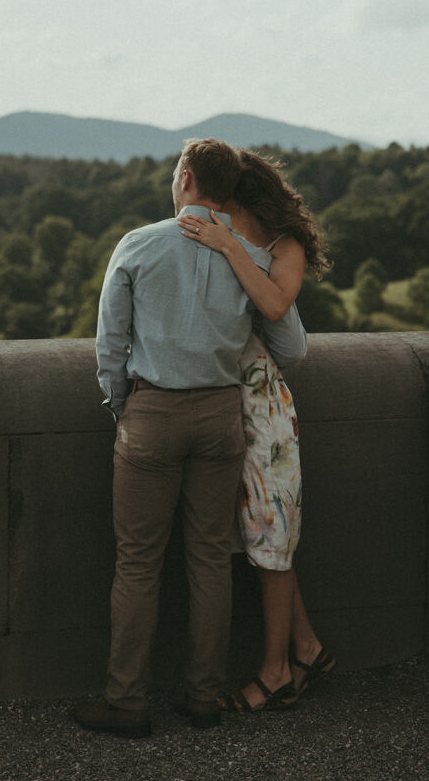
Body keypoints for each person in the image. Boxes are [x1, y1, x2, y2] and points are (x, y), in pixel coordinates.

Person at [74, 139, 308, 739]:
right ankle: (204, 695)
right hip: (222, 418)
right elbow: (289, 346)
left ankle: (127, 702)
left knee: (138, 562)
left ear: (184, 178)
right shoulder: (250, 256)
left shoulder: (138, 245)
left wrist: (125, 409)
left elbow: (110, 347)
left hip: (154, 414)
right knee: (209, 559)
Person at [177, 148, 336, 712]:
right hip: (228, 408)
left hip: (264, 413)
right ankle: (308, 648)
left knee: (270, 537)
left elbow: (273, 305)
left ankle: (277, 673)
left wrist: (227, 244)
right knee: (265, 537)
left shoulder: (281, 248)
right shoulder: (222, 236)